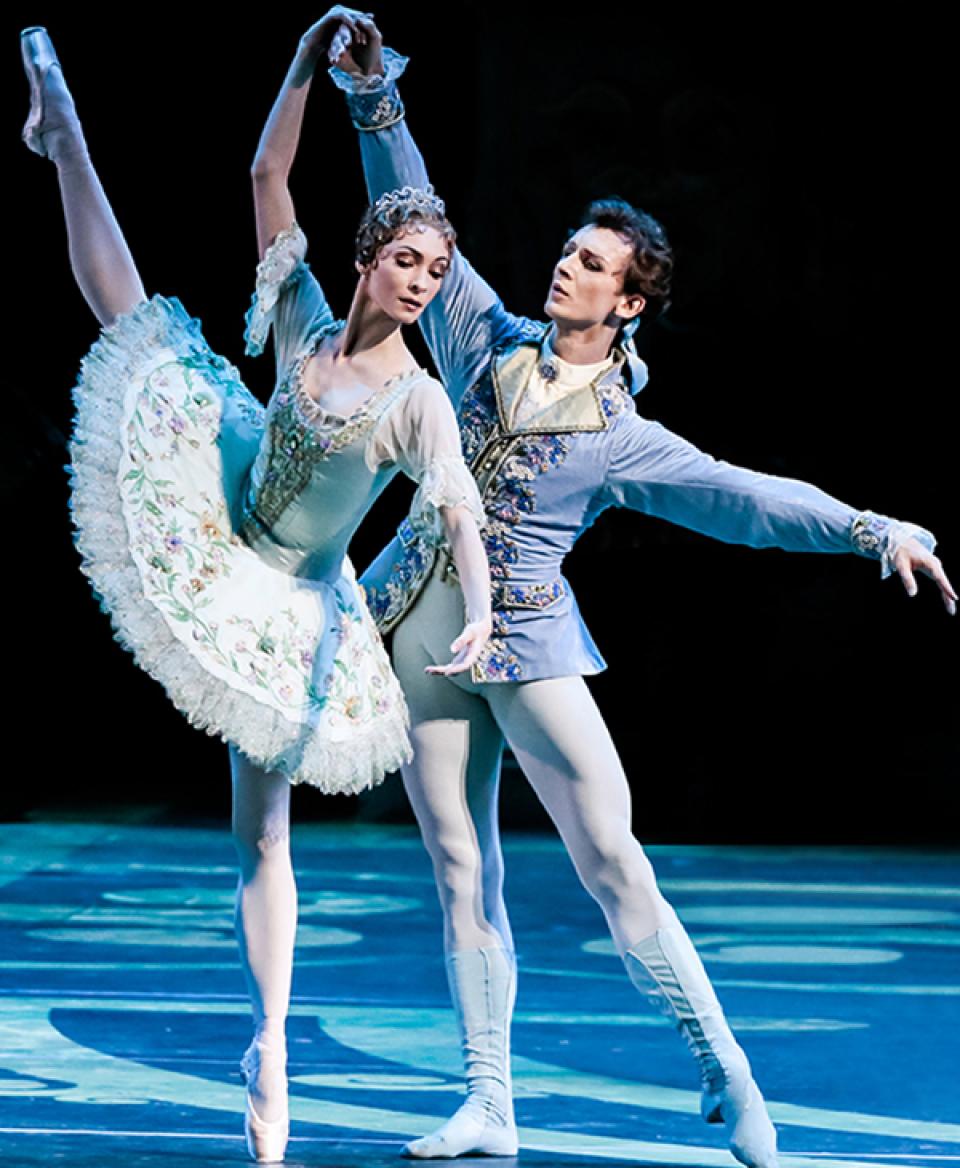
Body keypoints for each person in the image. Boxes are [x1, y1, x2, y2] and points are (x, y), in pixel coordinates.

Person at [320, 12, 958, 1168]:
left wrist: (873, 528)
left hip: (526, 641)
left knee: (613, 860)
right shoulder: (483, 339)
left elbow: (748, 497)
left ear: (627, 302)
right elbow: (415, 215)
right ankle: (489, 1102)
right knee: (460, 866)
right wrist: (375, 100)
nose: (565, 264)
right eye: (568, 250)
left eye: (592, 263)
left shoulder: (622, 437)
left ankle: (728, 1073)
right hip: (415, 622)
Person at [20, 17, 492, 1164]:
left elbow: (459, 511)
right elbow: (264, 174)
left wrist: (480, 612)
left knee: (262, 832)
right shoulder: (307, 320)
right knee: (139, 328)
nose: (422, 283)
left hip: (289, 602)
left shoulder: (416, 400)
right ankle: (65, 135)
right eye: (409, 261)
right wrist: (302, 63)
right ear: (369, 255)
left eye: (437, 271)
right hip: (226, 497)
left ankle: (269, 1042)